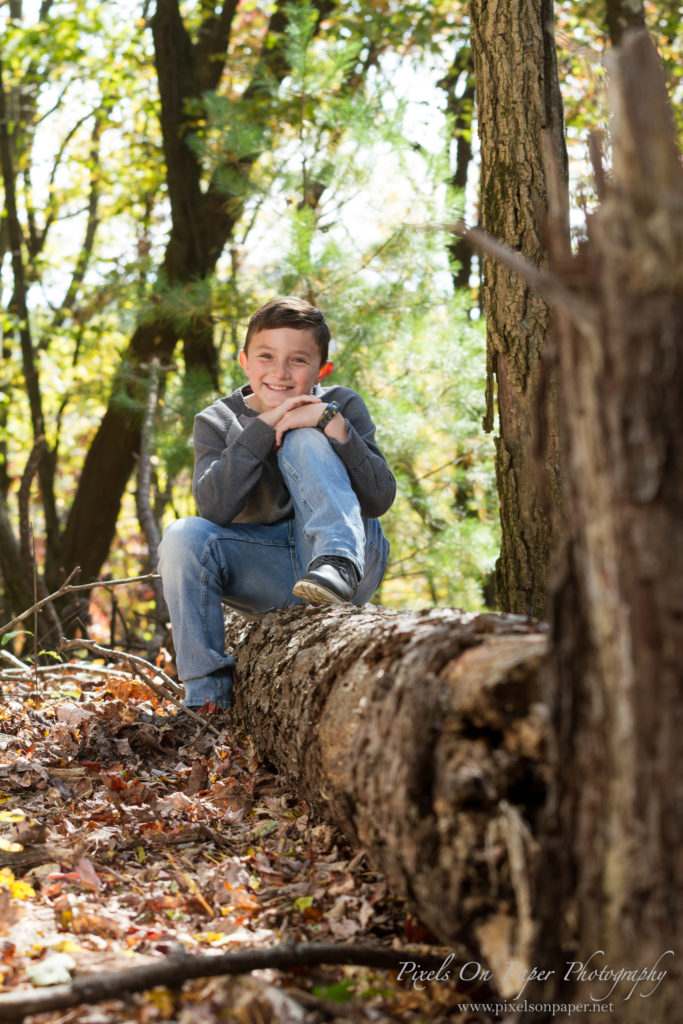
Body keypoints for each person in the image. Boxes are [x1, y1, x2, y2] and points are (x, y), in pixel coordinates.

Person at [157, 296, 396, 712]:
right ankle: (207, 698)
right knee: (181, 535)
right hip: (268, 572)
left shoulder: (343, 402)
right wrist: (262, 429)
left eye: (298, 361)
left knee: (306, 432)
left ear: (322, 370)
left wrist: (336, 429)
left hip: (352, 557)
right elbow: (213, 509)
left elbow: (378, 499)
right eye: (266, 356)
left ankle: (335, 562)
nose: (280, 373)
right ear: (244, 362)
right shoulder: (216, 421)